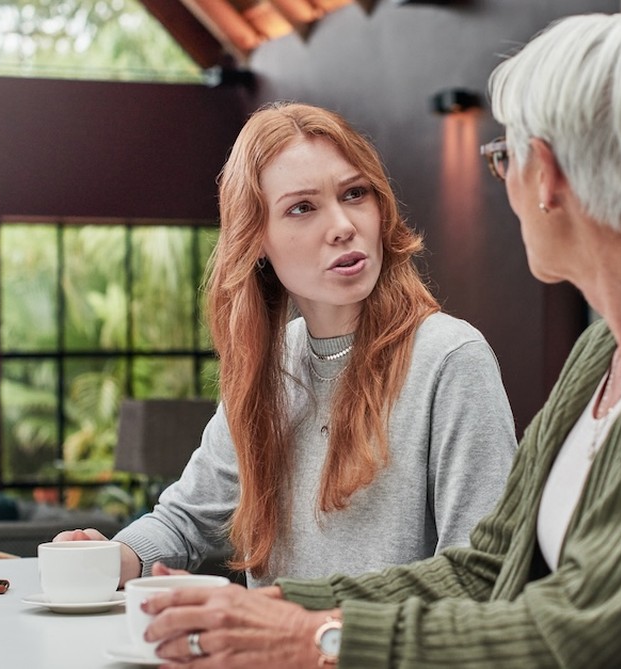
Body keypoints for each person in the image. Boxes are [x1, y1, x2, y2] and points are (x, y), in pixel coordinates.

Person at [136, 12, 621, 668]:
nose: (504, 182)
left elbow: (579, 634)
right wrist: (277, 609)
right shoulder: (606, 352)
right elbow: (489, 564)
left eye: (505, 157)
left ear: (550, 176)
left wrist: (319, 635)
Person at [56, 101, 518, 588]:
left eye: (355, 193)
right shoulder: (272, 365)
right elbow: (186, 520)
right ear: (256, 239)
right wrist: (112, 556)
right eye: (302, 207)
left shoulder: (450, 358)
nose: (343, 226)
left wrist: (311, 629)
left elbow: (480, 578)